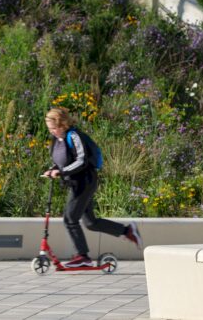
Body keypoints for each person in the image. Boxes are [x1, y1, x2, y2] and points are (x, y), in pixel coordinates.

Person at [43, 107, 142, 268]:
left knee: (70, 218)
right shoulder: (57, 140)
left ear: (62, 124)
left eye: (54, 128)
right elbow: (61, 160)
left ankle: (82, 256)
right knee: (90, 223)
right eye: (50, 129)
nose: (52, 131)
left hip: (85, 181)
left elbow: (81, 160)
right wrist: (52, 169)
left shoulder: (73, 136)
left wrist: (60, 172)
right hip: (75, 183)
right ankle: (127, 231)